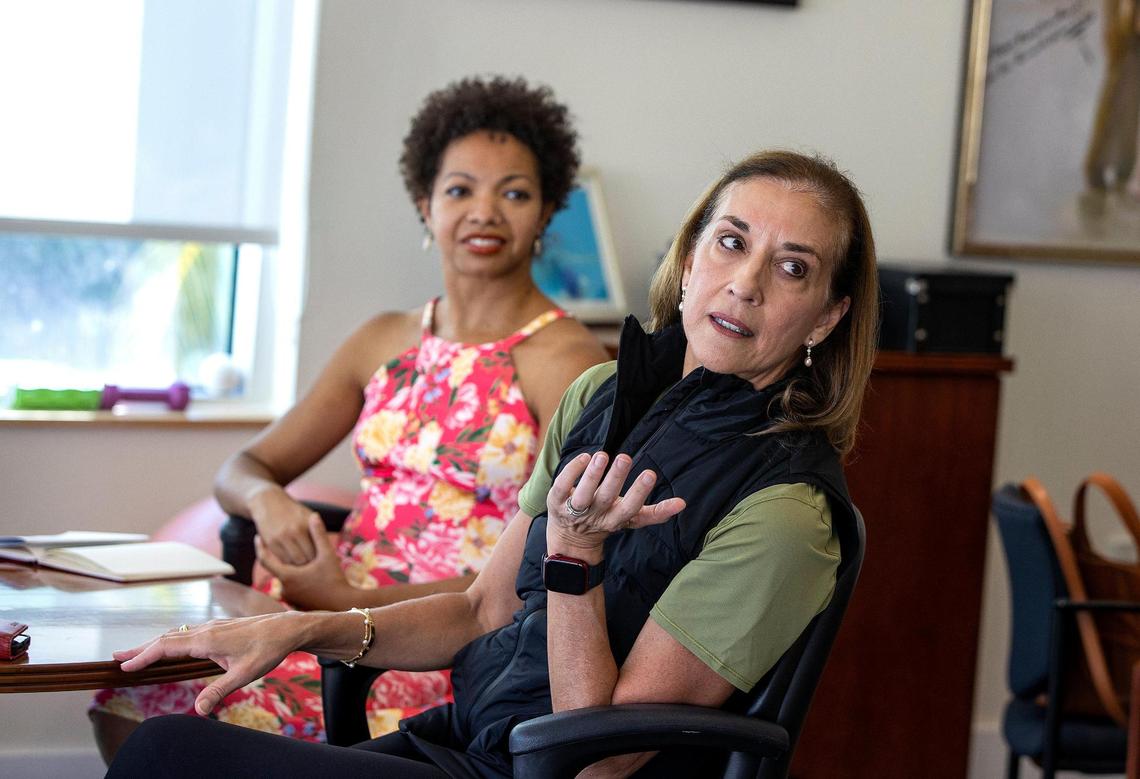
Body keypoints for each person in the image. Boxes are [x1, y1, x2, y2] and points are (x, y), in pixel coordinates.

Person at [105, 148, 880, 779]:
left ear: (829, 313)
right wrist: (299, 627)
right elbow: (483, 608)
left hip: (539, 773)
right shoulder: (602, 395)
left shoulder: (787, 510)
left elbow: (604, 758)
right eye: (733, 242)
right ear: (688, 258)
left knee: (169, 758)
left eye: (792, 268)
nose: (743, 283)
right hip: (463, 736)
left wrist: (576, 559)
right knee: (169, 746)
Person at [89, 75, 610, 761]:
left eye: (513, 192)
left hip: (442, 643)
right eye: (459, 190)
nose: (484, 212)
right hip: (317, 614)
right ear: (425, 205)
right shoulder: (383, 338)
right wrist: (271, 502)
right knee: (129, 700)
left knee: (192, 733)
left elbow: (539, 567)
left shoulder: (569, 361)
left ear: (545, 212)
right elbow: (243, 467)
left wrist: (346, 597)